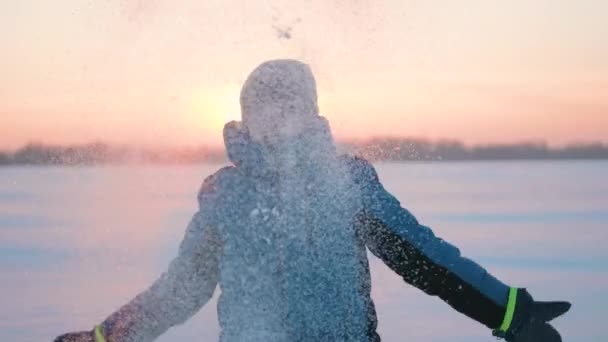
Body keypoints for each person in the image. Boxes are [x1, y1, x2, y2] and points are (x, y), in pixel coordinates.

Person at [55, 60, 570, 342]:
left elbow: (425, 260)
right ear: (246, 118)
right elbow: (180, 289)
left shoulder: (345, 183)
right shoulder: (225, 196)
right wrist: (105, 338)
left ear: (311, 112)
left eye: (291, 106)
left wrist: (511, 315)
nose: (278, 118)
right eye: (265, 107)